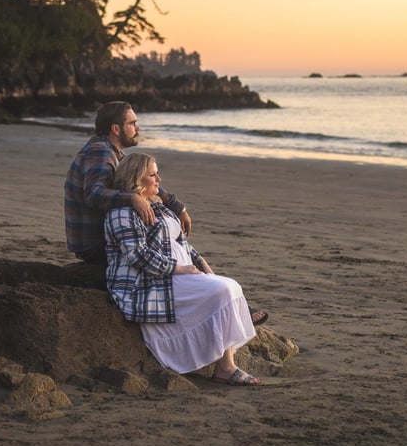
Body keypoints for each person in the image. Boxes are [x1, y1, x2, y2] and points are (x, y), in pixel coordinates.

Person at [104, 152, 263, 386]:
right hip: (149, 281)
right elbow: (137, 256)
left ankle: (225, 365)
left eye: (158, 173)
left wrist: (205, 268)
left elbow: (183, 244)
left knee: (229, 285)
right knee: (222, 291)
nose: (159, 179)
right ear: (136, 179)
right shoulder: (122, 213)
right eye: (152, 174)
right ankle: (225, 367)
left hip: (178, 273)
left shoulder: (158, 207)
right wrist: (179, 269)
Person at [64, 101, 191, 265]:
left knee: (166, 237)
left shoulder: (112, 152)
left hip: (102, 239)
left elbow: (142, 182)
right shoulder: (101, 152)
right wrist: (132, 198)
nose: (137, 128)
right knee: (164, 240)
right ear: (115, 129)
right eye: (132, 123)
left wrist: (177, 206)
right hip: (96, 245)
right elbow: (93, 194)